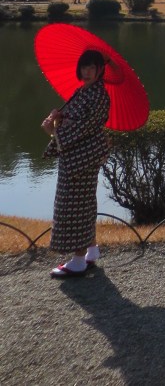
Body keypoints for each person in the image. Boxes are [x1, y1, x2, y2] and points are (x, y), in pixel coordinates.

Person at [41, 49, 111, 278]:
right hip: (76, 154)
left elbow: (85, 128)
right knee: (83, 202)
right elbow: (75, 121)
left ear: (100, 70)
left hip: (83, 156)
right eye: (84, 67)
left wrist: (54, 132)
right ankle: (91, 251)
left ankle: (79, 260)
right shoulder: (84, 92)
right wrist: (59, 118)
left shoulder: (99, 95)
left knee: (73, 205)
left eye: (92, 67)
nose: (87, 72)